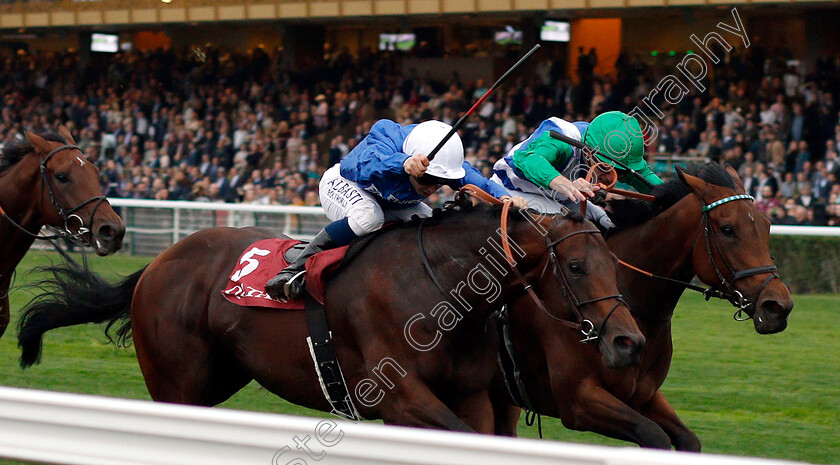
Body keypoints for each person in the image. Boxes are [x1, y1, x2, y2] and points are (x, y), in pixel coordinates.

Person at [265, 119, 525, 301]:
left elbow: (479, 182)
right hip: (344, 184)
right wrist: (402, 163)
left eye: (439, 182)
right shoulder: (386, 135)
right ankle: (294, 269)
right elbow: (354, 166)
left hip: (390, 202)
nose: (430, 188)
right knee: (369, 218)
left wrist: (506, 197)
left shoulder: (446, 162)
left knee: (429, 224)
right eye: (425, 179)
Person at [489, 111, 663, 230]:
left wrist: (680, 195)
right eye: (604, 168)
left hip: (561, 198)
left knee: (607, 223)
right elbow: (527, 159)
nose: (609, 178)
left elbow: (649, 181)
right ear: (588, 151)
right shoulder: (563, 139)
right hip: (513, 190)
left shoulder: (614, 151)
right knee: (571, 229)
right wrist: (566, 184)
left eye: (618, 172)